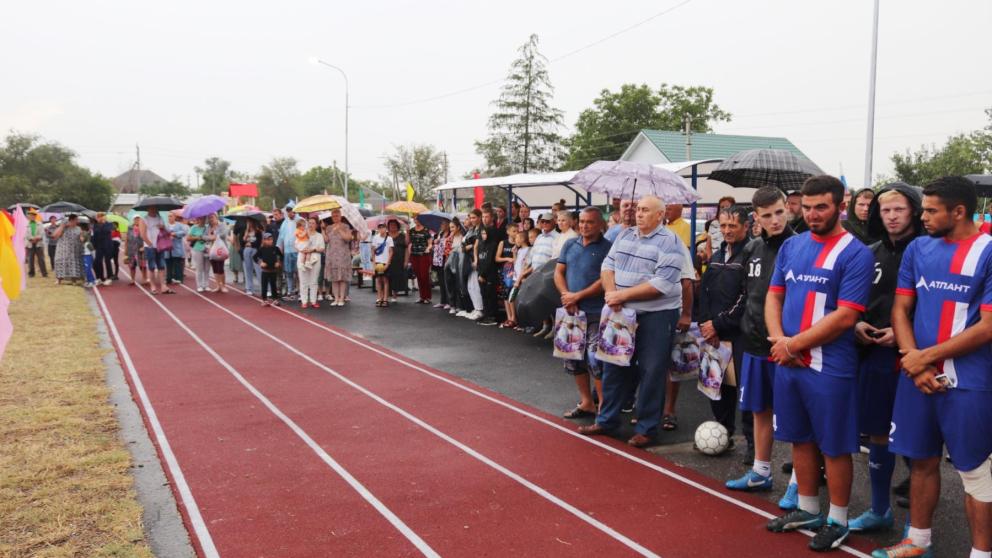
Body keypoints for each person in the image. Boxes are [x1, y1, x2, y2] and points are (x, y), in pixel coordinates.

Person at [878, 176, 992, 558]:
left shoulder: (988, 251)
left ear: (958, 211)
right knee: (921, 461)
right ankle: (918, 541)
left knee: (975, 473)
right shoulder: (918, 249)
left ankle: (981, 553)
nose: (921, 216)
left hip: (969, 381)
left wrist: (921, 358)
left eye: (930, 210)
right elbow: (901, 309)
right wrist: (915, 363)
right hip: (917, 376)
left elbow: (988, 326)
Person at [764, 175, 874, 552]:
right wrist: (779, 341)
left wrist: (792, 344)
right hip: (788, 361)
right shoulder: (792, 246)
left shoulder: (855, 252)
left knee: (835, 445)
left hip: (829, 365)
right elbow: (774, 297)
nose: (812, 215)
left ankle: (838, 520)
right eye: (806, 207)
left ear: (840, 206)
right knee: (799, 437)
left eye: (821, 207)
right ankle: (808, 508)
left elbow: (845, 316)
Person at [842, 183, 923, 534]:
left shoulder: (927, 251)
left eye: (899, 209)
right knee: (877, 432)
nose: (891, 216)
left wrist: (904, 334)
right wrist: (857, 323)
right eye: (885, 210)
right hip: (872, 355)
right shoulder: (869, 251)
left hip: (915, 357)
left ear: (914, 211)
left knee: (917, 440)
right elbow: (852, 298)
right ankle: (879, 510)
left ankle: (917, 528)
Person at [578, 196, 683, 448]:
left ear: (660, 215)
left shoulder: (671, 242)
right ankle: (607, 420)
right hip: (622, 312)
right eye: (638, 209)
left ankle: (647, 428)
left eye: (646, 210)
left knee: (651, 370)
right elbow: (607, 265)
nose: (639, 214)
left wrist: (620, 295)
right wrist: (612, 294)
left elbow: (662, 284)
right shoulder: (625, 235)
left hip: (656, 315)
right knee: (614, 365)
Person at [723, 187, 799, 507]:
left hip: (789, 347)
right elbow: (748, 295)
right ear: (757, 217)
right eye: (767, 215)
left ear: (788, 210)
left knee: (796, 419)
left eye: (779, 212)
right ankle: (761, 471)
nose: (775, 219)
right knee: (760, 411)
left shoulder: (800, 247)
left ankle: (800, 481)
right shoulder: (752, 248)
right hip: (754, 344)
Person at [696, 205, 749, 445]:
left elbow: (746, 297)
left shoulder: (750, 254)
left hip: (739, 334)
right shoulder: (716, 255)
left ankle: (751, 445)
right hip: (713, 335)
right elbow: (705, 291)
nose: (727, 231)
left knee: (745, 393)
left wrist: (718, 324)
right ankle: (723, 434)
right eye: (723, 225)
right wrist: (706, 325)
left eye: (732, 226)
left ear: (746, 227)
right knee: (716, 386)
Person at [555, 207, 611, 418]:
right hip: (572, 312)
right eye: (582, 221)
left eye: (590, 222)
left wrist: (577, 296)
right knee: (573, 358)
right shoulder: (570, 244)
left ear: (600, 225)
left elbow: (605, 280)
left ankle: (604, 407)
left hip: (597, 312)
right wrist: (566, 295)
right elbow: (559, 272)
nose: (584, 225)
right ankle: (587, 402)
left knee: (595, 359)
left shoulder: (608, 247)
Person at [522, 212, 559, 337]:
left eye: (547, 221)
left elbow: (555, 257)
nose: (545, 224)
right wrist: (526, 268)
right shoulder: (539, 237)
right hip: (536, 273)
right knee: (539, 300)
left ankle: (554, 327)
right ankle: (546, 326)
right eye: (542, 221)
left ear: (554, 222)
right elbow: (533, 254)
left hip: (548, 274)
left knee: (550, 301)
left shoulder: (557, 237)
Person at [457, 210, 484, 320]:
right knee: (470, 286)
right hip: (467, 259)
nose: (472, 220)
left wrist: (470, 247)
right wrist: (465, 247)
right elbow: (463, 245)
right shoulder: (471, 230)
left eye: (474, 218)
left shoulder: (481, 229)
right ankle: (475, 308)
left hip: (476, 260)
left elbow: (478, 245)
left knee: (475, 285)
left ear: (479, 217)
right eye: (471, 218)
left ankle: (480, 309)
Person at [139, 207, 173, 295]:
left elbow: (166, 230)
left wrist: (163, 227)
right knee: (151, 266)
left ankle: (163, 286)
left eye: (155, 208)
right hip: (150, 246)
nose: (153, 210)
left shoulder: (160, 218)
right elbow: (142, 234)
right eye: (151, 208)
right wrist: (149, 244)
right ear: (148, 209)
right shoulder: (144, 219)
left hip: (160, 245)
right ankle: (153, 286)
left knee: (161, 265)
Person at [296, 217, 325, 308]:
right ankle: (304, 301)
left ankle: (313, 301)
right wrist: (303, 249)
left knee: (314, 281)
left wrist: (313, 249)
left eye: (313, 223)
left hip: (315, 258)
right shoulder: (302, 233)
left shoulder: (319, 236)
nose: (311, 225)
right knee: (303, 280)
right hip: (303, 257)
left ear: (316, 225)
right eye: (309, 223)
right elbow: (296, 245)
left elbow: (322, 248)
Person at [505, 227, 530, 329]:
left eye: (517, 238)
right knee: (512, 299)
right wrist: (514, 253)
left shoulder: (528, 250)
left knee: (518, 300)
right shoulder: (519, 250)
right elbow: (516, 263)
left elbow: (525, 266)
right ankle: (514, 319)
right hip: (516, 277)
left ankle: (518, 320)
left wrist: (519, 278)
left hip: (521, 279)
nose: (515, 240)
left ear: (522, 239)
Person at [475, 225, 500, 326]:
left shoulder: (493, 245)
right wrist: (479, 273)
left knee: (491, 295)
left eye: (485, 233)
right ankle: (486, 314)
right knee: (484, 294)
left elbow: (489, 261)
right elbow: (480, 260)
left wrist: (483, 274)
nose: (483, 235)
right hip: (481, 274)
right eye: (482, 234)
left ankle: (492, 317)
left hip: (490, 274)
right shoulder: (481, 244)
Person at [494, 222, 518, 325]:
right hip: (504, 271)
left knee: (512, 294)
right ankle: (509, 317)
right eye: (514, 231)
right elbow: (497, 258)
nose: (516, 233)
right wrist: (507, 258)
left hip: (515, 272)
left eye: (517, 231)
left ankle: (514, 317)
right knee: (505, 294)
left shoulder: (518, 243)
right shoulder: (503, 243)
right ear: (508, 232)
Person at [278, 204, 302, 299]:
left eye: (291, 210)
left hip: (298, 251)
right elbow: (281, 238)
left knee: (298, 272)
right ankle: (290, 291)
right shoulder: (285, 223)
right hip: (287, 252)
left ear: (295, 210)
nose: (289, 212)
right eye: (288, 211)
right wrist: (282, 250)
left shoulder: (300, 221)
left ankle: (300, 291)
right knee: (288, 272)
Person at [51, 215, 84, 285]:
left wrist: (83, 239)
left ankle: (74, 280)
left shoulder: (78, 228)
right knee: (60, 263)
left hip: (74, 250)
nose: (77, 221)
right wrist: (62, 226)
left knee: (74, 264)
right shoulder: (63, 228)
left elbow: (81, 238)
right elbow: (54, 236)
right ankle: (59, 279)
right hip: (62, 250)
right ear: (71, 220)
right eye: (76, 220)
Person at [253, 232, 283, 306]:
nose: (269, 241)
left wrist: (278, 262)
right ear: (264, 240)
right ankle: (264, 300)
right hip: (265, 271)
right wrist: (260, 263)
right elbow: (254, 257)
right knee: (264, 286)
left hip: (273, 270)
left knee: (274, 286)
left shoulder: (276, 249)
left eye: (271, 239)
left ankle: (275, 299)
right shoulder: (262, 249)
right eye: (267, 239)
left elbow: (281, 256)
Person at [409, 216, 434, 304]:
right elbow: (408, 242)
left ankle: (427, 297)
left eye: (418, 219)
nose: (417, 221)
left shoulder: (426, 230)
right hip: (414, 255)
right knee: (418, 276)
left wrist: (428, 248)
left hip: (424, 255)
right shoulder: (411, 230)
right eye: (415, 219)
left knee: (424, 276)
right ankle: (422, 296)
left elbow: (431, 243)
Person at [203, 213, 228, 293]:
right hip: (211, 249)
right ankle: (218, 285)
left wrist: (215, 236)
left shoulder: (222, 225)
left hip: (220, 249)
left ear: (216, 217)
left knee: (220, 267)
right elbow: (203, 236)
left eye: (212, 217)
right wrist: (210, 237)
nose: (211, 219)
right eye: (209, 218)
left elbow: (224, 234)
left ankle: (223, 285)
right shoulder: (207, 227)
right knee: (214, 268)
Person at [444, 218, 464, 314]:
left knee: (459, 285)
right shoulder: (449, 239)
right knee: (450, 284)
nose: (451, 229)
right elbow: (446, 252)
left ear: (458, 227)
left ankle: (460, 305)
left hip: (460, 263)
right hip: (449, 263)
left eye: (453, 227)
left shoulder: (463, 237)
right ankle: (452, 305)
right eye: (450, 227)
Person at [371, 222, 394, 307]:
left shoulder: (389, 239)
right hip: (378, 262)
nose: (381, 229)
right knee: (378, 280)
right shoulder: (375, 238)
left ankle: (385, 299)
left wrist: (388, 263)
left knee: (385, 280)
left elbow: (391, 252)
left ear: (386, 228)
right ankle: (379, 298)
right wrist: (373, 263)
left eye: (383, 227)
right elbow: (373, 251)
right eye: (380, 228)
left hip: (385, 262)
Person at [431, 220, 452, 309]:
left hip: (446, 258)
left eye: (444, 224)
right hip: (438, 259)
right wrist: (435, 242)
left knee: (446, 280)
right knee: (441, 281)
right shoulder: (440, 233)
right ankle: (442, 301)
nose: (442, 225)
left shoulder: (450, 234)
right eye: (441, 223)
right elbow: (433, 244)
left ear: (448, 224)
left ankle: (449, 301)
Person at [187, 217, 210, 292]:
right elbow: (188, 238)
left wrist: (206, 238)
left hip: (207, 249)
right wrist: (197, 237)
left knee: (207, 268)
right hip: (197, 249)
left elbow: (211, 236)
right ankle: (199, 285)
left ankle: (206, 285)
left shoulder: (208, 227)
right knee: (199, 268)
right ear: (198, 219)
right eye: (200, 219)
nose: (202, 220)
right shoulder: (194, 227)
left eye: (203, 219)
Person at [92, 212, 115, 286]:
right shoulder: (95, 225)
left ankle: (109, 278)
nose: (98, 218)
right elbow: (95, 235)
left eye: (100, 216)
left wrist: (104, 223)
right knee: (97, 262)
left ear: (103, 217)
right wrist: (93, 246)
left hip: (107, 245)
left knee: (107, 261)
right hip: (99, 246)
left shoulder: (109, 224)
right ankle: (100, 278)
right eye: (97, 217)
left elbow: (106, 231)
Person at [124, 216, 148, 286]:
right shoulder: (130, 228)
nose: (137, 220)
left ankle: (144, 278)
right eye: (135, 219)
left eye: (138, 219)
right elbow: (126, 239)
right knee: (132, 266)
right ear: (133, 220)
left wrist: (144, 246)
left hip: (141, 249)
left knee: (143, 266)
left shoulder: (143, 227)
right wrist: (125, 250)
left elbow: (147, 237)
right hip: (131, 249)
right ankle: (132, 279)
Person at [241, 219, 263, 296]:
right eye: (247, 222)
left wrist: (250, 244)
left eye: (249, 222)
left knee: (259, 270)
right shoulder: (246, 232)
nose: (248, 223)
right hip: (246, 251)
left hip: (255, 252)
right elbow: (243, 242)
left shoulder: (258, 232)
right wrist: (246, 231)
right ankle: (249, 288)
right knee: (248, 269)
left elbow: (258, 243)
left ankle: (263, 288)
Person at [167, 213, 189, 286]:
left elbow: (184, 232)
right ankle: (169, 278)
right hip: (167, 248)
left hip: (177, 247)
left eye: (171, 216)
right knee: (168, 263)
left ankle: (179, 278)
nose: (169, 217)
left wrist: (175, 234)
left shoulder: (179, 225)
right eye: (168, 216)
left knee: (177, 263)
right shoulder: (166, 225)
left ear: (174, 217)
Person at [25, 210, 47, 278]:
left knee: (41, 259)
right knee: (30, 260)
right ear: (28, 216)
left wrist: (37, 238)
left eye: (33, 215)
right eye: (30, 215)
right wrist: (31, 239)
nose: (32, 217)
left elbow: (42, 233)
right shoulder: (26, 224)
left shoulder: (40, 223)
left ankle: (44, 273)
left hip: (39, 243)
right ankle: (31, 274)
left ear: (35, 216)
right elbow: (26, 234)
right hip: (29, 244)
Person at [79, 222, 96, 288]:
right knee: (86, 270)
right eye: (80, 237)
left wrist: (94, 258)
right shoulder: (82, 243)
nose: (80, 238)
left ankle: (92, 281)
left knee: (88, 270)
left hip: (88, 257)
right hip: (84, 257)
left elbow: (93, 251)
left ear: (85, 237)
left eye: (82, 237)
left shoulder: (88, 244)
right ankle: (89, 281)